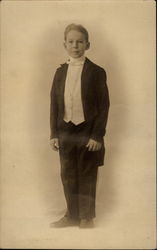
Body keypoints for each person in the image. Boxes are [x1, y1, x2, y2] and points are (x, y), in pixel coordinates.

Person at [50, 23, 110, 228]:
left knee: (87, 172)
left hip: (87, 130)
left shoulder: (97, 72)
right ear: (65, 44)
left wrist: (97, 135)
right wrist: (54, 133)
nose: (75, 45)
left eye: (80, 42)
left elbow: (103, 105)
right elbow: (54, 105)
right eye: (71, 42)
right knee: (67, 173)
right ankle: (71, 215)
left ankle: (86, 216)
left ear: (88, 44)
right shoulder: (60, 72)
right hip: (65, 129)